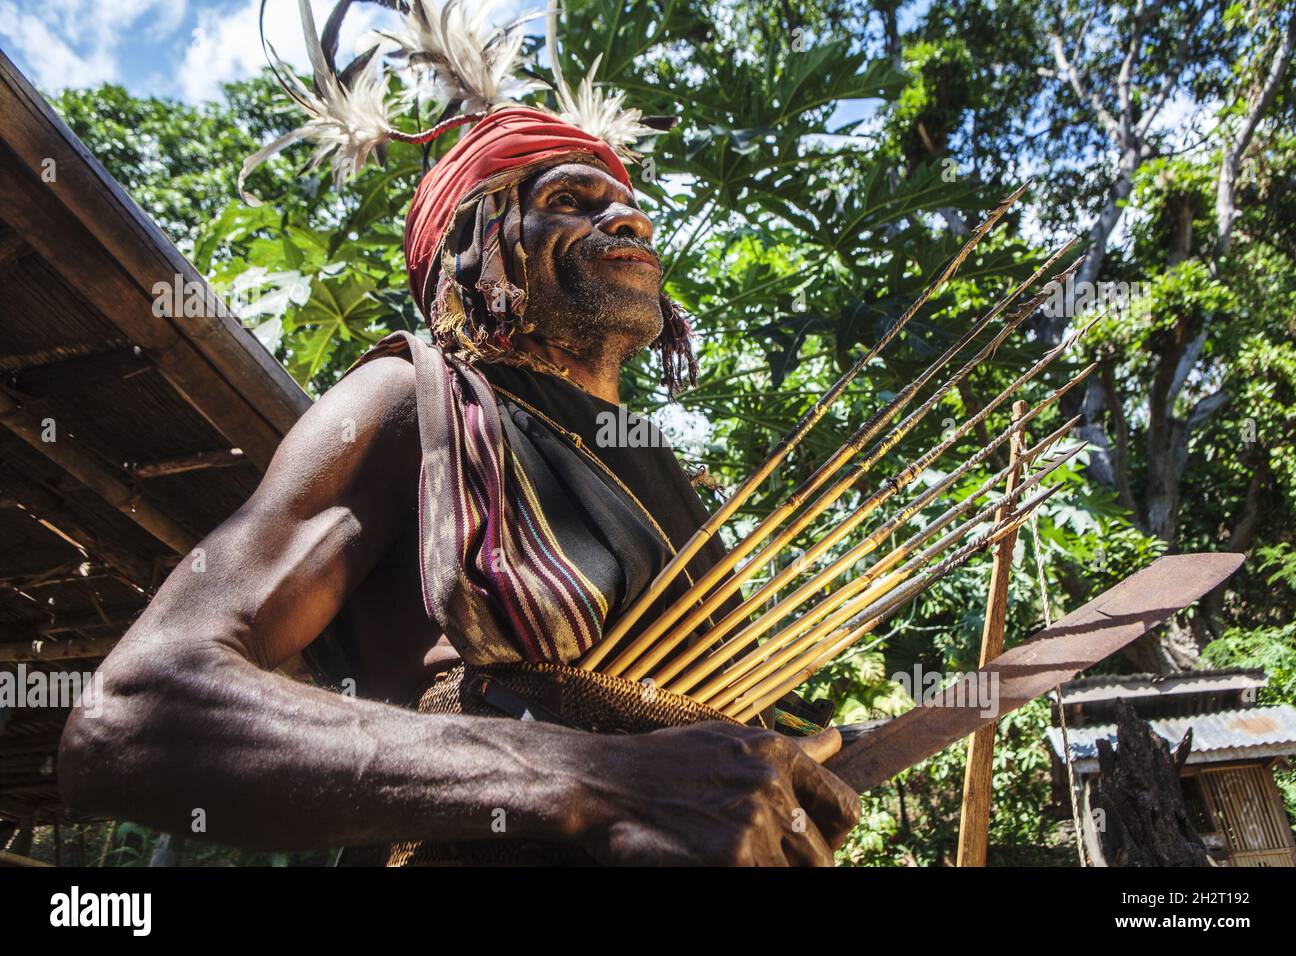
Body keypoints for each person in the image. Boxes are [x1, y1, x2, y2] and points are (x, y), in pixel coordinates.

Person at [57, 102, 861, 866]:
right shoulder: (416, 402)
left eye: (628, 203)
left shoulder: (661, 477)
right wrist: (602, 783)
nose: (628, 218)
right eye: (570, 199)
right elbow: (136, 711)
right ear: (471, 242)